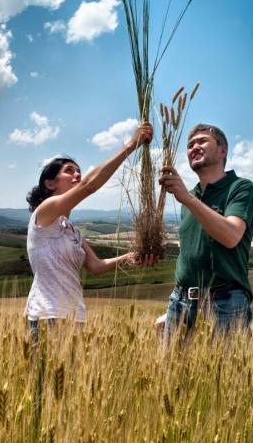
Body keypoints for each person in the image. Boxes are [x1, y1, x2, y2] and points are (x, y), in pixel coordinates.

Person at [24, 122, 157, 343]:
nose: (77, 174)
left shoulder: (72, 230)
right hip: (48, 314)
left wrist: (132, 256)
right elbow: (88, 186)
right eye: (69, 171)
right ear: (50, 183)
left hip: (75, 315)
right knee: (46, 377)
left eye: (79, 171)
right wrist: (132, 145)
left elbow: (96, 266)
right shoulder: (44, 214)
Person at [156, 124, 253, 345]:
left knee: (223, 378)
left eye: (202, 141)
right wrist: (176, 308)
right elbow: (192, 251)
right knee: (169, 377)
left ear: (223, 151)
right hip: (181, 302)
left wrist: (188, 199)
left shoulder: (240, 188)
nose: (194, 147)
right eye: (190, 145)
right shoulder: (189, 197)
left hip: (225, 303)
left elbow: (231, 236)